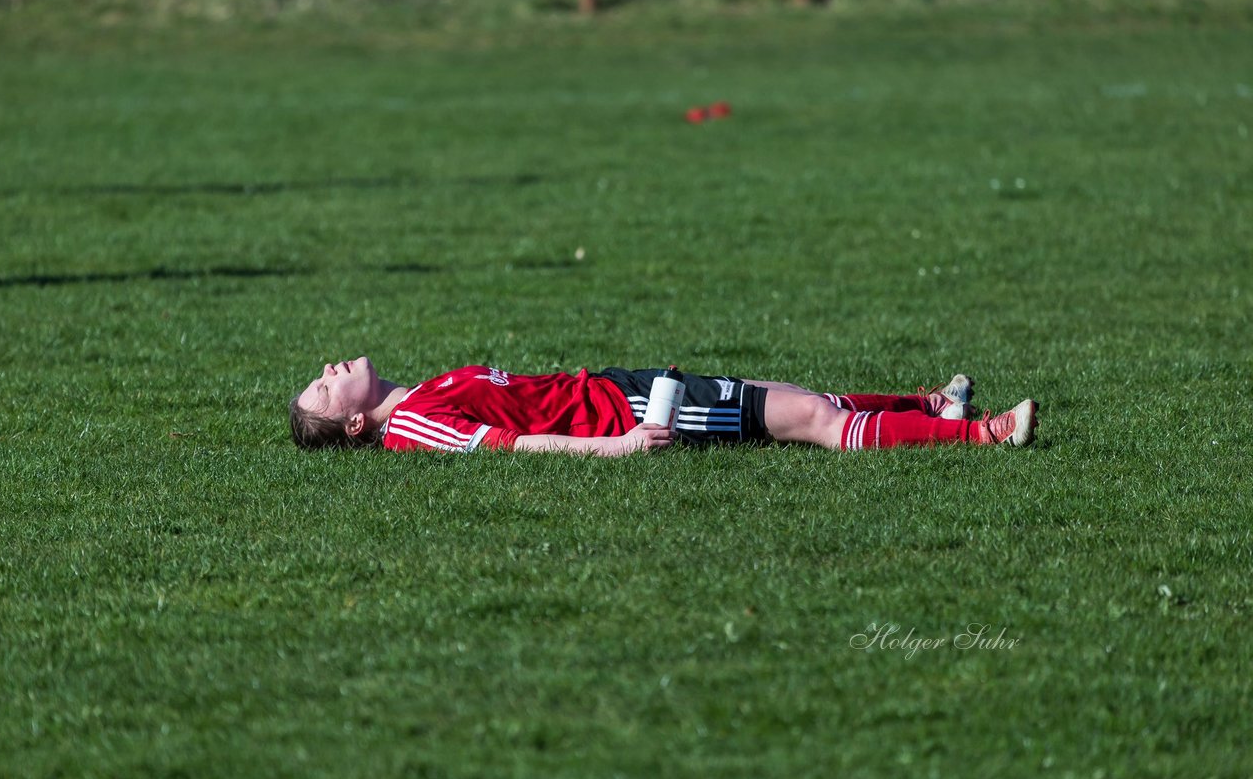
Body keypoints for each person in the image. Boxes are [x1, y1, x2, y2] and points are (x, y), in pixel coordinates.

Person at [289, 357, 1038, 456]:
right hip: (634, 411)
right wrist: (619, 447)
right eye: (323, 389)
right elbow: (512, 448)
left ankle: (930, 405)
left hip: (624, 387)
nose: (327, 371)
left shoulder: (420, 392)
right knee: (813, 421)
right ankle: (982, 435)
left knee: (803, 401)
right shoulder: (413, 425)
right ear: (354, 422)